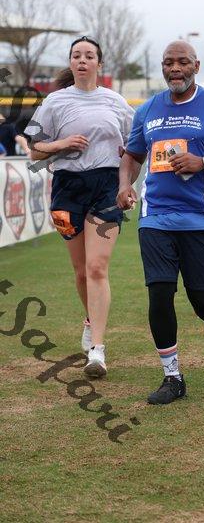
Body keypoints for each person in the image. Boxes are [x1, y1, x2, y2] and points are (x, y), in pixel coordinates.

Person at [118, 40, 204, 405]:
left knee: (201, 297)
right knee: (159, 293)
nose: (174, 68)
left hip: (203, 219)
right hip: (156, 217)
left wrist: (203, 162)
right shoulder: (147, 110)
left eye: (182, 62)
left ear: (196, 66)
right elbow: (132, 155)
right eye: (168, 63)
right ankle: (172, 376)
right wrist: (124, 185)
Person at [24, 36, 134, 377]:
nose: (82, 60)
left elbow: (135, 149)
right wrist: (62, 143)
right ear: (71, 62)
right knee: (81, 271)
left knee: (97, 267)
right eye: (76, 55)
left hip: (106, 187)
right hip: (67, 188)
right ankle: (89, 319)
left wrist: (127, 184)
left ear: (100, 63)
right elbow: (34, 150)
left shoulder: (116, 102)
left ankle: (97, 350)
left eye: (89, 55)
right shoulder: (54, 102)